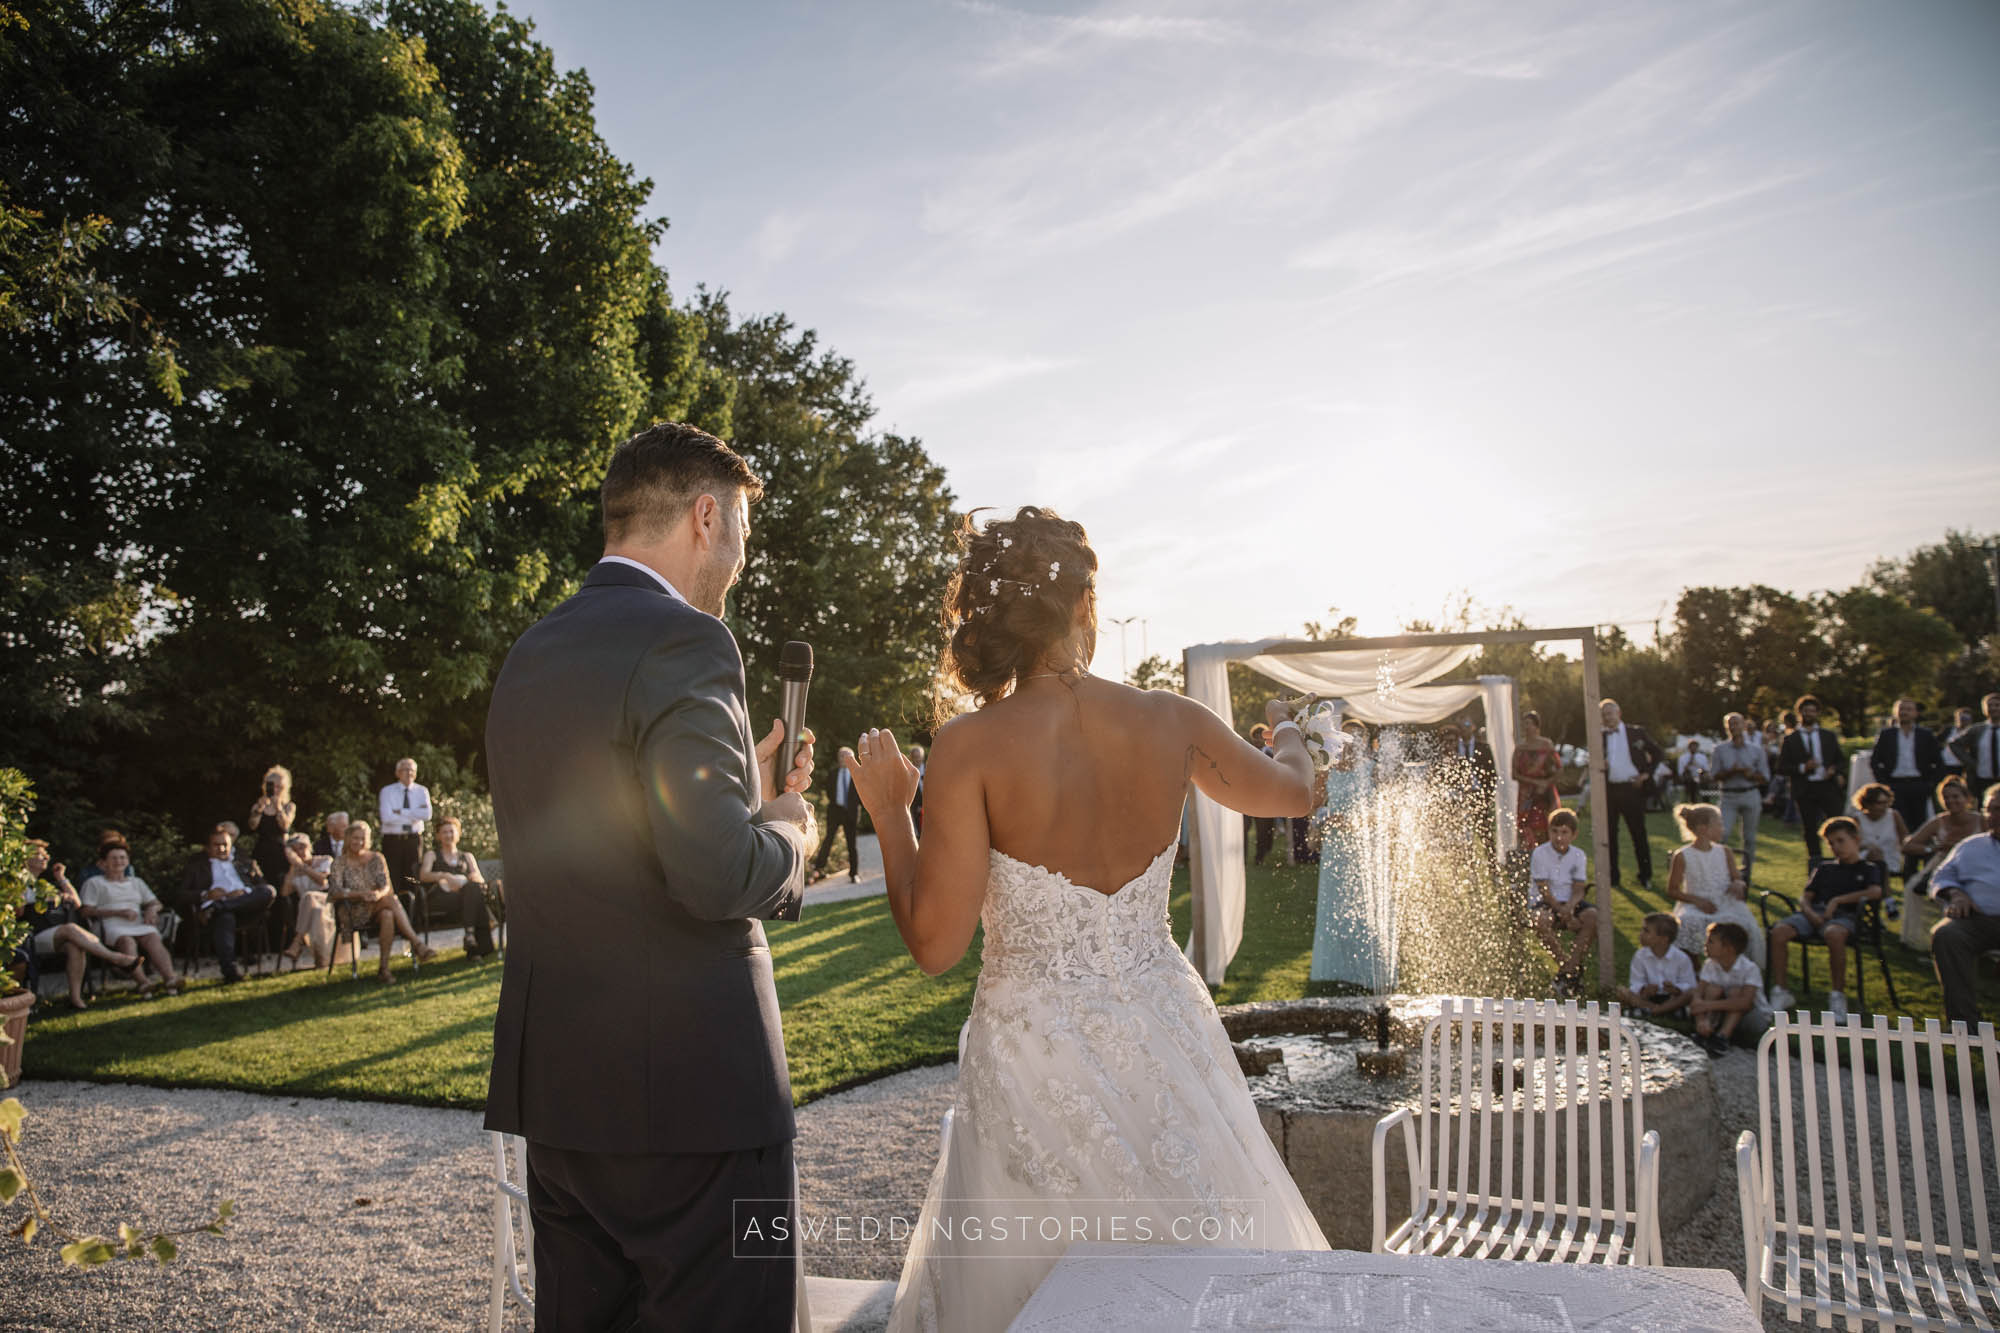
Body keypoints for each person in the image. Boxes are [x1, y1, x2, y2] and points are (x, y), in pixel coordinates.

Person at [842, 505, 1330, 1332]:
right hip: (1165, 1037)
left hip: (1032, 1059)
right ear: (1082, 603)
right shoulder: (1173, 721)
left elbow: (935, 943)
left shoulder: (970, 746)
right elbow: (1295, 790)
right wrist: (1291, 733)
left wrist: (892, 815)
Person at [483, 422, 818, 1330]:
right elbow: (717, 875)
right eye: (742, 532)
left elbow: (611, 837)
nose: (740, 560)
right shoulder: (689, 641)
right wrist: (790, 833)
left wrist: (739, 796)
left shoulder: (531, 651)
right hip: (697, 1100)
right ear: (706, 517)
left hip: (562, 1099)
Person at [1766, 817, 1883, 1020]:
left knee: (1833, 934)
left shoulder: (1868, 868)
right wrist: (1810, 913)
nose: (1836, 847)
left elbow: (1875, 892)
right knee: (1779, 931)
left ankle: (1837, 996)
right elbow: (1805, 897)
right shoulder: (1825, 868)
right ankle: (1781, 991)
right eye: (1831, 843)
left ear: (1856, 840)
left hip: (1845, 917)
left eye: (1841, 841)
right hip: (1814, 914)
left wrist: (1837, 901)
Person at [20, 840, 143, 1007]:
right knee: (70, 929)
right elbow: (19, 913)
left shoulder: (43, 885)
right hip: (30, 937)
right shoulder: (19, 884)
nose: (45, 858)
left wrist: (61, 879)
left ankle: (75, 998)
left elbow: (78, 904)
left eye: (45, 855)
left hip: (52, 935)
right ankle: (117, 958)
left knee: (75, 946)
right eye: (39, 854)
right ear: (25, 858)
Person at [1310, 717, 1378, 988]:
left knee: (1361, 903)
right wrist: (1322, 820)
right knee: (1335, 904)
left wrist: (1355, 821)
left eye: (1356, 738)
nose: (1351, 743)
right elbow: (1313, 805)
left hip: (1363, 845)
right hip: (1336, 847)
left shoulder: (1372, 770)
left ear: (1364, 741)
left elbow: (1382, 810)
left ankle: (1364, 968)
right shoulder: (1328, 771)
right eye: (1347, 737)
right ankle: (1335, 968)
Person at [1926, 783, 2000, 1026]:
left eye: (1999, 809)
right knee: (1946, 934)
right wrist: (1955, 893)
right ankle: (1965, 1025)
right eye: (1990, 809)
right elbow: (1940, 877)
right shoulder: (1971, 846)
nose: (1994, 815)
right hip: (1978, 919)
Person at [327, 819, 436, 981]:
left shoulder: (376, 858)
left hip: (377, 906)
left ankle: (384, 969)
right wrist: (360, 894)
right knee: (391, 901)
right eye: (355, 838)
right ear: (348, 838)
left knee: (387, 914)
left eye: (363, 838)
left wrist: (377, 894)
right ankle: (416, 944)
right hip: (352, 910)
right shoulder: (339, 863)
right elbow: (334, 892)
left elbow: (385, 886)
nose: (359, 842)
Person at [1666, 803, 1763, 969]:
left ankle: (1734, 968)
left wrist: (1738, 883)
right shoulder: (1682, 855)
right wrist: (1698, 901)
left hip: (1725, 902)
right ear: (1703, 829)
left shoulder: (1724, 851)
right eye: (1718, 824)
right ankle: (1693, 969)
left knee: (1741, 923)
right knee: (1686, 922)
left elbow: (1737, 878)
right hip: (1694, 904)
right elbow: (1672, 890)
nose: (1722, 829)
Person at [176, 825, 275, 984]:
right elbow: (181, 895)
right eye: (216, 845)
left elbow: (262, 885)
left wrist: (245, 891)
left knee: (268, 891)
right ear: (207, 848)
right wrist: (206, 894)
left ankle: (220, 907)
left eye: (225, 845)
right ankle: (230, 972)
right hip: (219, 915)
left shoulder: (245, 863)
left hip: (246, 908)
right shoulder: (197, 867)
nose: (222, 849)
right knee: (225, 917)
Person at [79, 842, 180, 996]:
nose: (119, 861)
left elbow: (156, 903)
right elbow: (85, 911)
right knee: (127, 941)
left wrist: (151, 910)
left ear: (128, 861)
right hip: (108, 924)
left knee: (152, 937)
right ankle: (143, 983)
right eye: (114, 858)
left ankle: (170, 979)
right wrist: (118, 912)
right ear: (103, 863)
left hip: (137, 923)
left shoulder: (136, 882)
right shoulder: (94, 883)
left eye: (122, 858)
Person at [1899, 776, 1984, 948]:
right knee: (1913, 888)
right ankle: (1917, 939)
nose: (1951, 801)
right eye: (1946, 797)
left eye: (1955, 796)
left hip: (1975, 865)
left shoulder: (1981, 820)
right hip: (1942, 863)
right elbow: (1908, 846)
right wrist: (1933, 848)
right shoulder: (1939, 821)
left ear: (1967, 798)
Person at [1869, 699, 1945, 868]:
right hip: (1895, 785)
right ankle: (1907, 865)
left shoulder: (1925, 735)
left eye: (1909, 709)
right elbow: (1875, 761)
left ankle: (1924, 862)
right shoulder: (1887, 734)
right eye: (1901, 709)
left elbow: (1939, 762)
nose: (1904, 712)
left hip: (1919, 784)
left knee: (1922, 825)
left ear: (1916, 713)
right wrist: (1884, 784)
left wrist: (1931, 784)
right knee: (1902, 826)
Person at [1529, 809, 1596, 996]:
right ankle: (1567, 967)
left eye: (1564, 832)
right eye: (1555, 831)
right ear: (1548, 831)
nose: (1559, 837)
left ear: (1574, 835)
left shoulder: (1578, 855)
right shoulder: (1540, 853)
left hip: (1569, 901)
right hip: (1546, 901)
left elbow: (1579, 888)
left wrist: (1570, 908)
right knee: (1541, 920)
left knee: (1593, 917)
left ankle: (1569, 969)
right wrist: (1563, 912)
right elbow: (1543, 889)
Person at [1599, 698, 1664, 888]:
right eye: (1604, 714)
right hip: (1609, 790)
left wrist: (1646, 774)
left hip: (1632, 789)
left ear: (1618, 713)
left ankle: (1645, 876)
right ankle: (1613, 878)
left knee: (1638, 834)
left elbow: (1658, 753)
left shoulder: (1636, 733)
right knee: (1609, 836)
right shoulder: (1599, 736)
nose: (1607, 717)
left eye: (1610, 713)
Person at [1778, 695, 1845, 867]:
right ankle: (1815, 861)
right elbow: (1782, 767)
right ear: (1800, 713)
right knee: (1809, 827)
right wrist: (1803, 767)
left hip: (1827, 786)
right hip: (1805, 788)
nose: (1809, 714)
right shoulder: (1791, 739)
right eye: (1806, 711)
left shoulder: (1828, 736)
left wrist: (1834, 770)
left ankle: (1842, 857)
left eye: (1812, 711)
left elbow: (1840, 760)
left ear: (1817, 713)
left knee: (1837, 822)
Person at [417, 815, 495, 958]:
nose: (448, 835)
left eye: (451, 831)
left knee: (472, 889)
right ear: (438, 836)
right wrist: (444, 876)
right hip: (441, 898)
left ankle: (470, 938)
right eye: (444, 832)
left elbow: (479, 879)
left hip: (465, 899)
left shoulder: (467, 856)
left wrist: (472, 878)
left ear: (458, 833)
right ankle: (478, 942)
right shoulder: (432, 855)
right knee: (475, 898)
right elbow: (423, 875)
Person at [1690, 921, 1771, 1055]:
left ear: (1729, 949)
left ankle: (1723, 1036)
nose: (1706, 944)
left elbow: (1745, 1003)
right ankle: (1706, 1029)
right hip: (1721, 1013)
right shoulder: (1710, 964)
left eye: (1711, 942)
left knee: (1736, 993)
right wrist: (1700, 1019)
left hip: (1751, 1018)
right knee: (1712, 989)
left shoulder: (1749, 968)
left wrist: (1706, 1006)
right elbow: (1698, 995)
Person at [1710, 712, 1769, 886]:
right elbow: (1714, 776)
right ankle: (1721, 871)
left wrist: (1750, 774)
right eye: (1730, 724)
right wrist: (1731, 772)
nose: (1733, 727)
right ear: (1726, 727)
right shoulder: (1719, 749)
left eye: (1736, 723)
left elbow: (1765, 777)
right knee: (1723, 834)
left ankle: (1746, 874)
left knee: (1749, 838)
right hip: (1729, 795)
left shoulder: (1756, 750)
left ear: (1744, 725)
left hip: (1750, 793)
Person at [1616, 912, 1696, 1021]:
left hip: (1671, 999)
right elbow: (1635, 983)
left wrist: (1676, 989)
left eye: (1646, 931)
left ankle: (1652, 1011)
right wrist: (1645, 989)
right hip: (1648, 999)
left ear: (1663, 939)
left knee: (1690, 994)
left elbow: (1690, 985)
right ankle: (1659, 1010)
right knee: (1622, 991)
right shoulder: (1640, 956)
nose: (1641, 934)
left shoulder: (1681, 958)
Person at [377, 757, 431, 913]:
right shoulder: (387, 791)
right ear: (397, 773)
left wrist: (399, 811)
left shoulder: (422, 791)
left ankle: (413, 916)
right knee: (392, 877)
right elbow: (386, 817)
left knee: (412, 877)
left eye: (412, 770)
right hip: (393, 841)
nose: (409, 773)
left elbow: (427, 815)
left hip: (413, 841)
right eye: (405, 769)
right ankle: (393, 915)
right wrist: (414, 814)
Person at [278, 832, 334, 969]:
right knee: (316, 911)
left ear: (310, 847)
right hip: (308, 911)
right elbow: (284, 892)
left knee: (309, 896)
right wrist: (293, 867)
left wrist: (302, 866)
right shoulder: (294, 870)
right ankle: (321, 962)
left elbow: (322, 881)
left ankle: (297, 942)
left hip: (328, 902)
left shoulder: (325, 860)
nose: (300, 852)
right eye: (295, 850)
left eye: (303, 847)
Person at [1510, 709, 1562, 848]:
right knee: (1526, 825)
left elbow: (1559, 768)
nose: (1526, 727)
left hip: (1545, 792)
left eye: (1529, 723)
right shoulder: (1520, 748)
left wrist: (1546, 783)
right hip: (1526, 794)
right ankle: (1528, 854)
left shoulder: (1546, 745)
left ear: (1536, 726)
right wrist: (1534, 782)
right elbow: (1514, 774)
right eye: (1524, 724)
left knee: (1548, 823)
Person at [810, 747, 862, 883]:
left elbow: (861, 794)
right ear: (838, 758)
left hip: (850, 812)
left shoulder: (857, 774)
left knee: (852, 844)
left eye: (847, 756)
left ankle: (854, 874)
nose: (844, 759)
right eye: (841, 756)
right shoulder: (833, 773)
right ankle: (818, 870)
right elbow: (829, 791)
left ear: (853, 758)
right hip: (835, 811)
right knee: (828, 840)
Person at [1850, 783, 1909, 890]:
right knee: (1874, 854)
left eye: (1886, 802)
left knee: (1877, 856)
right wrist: (1867, 847)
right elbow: (1851, 844)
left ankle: (1881, 891)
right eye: (1880, 803)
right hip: (1864, 857)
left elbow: (1905, 839)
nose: (1884, 807)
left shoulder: (1894, 815)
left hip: (1890, 857)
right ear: (1868, 804)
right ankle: (1884, 893)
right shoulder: (1857, 819)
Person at [1948, 693, 2000, 802]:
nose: (1993, 708)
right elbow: (1954, 744)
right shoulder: (1977, 730)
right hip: (1982, 779)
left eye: (1997, 705)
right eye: (1990, 705)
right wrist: (1970, 762)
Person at [1677, 740, 1708, 806]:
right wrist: (1688, 765)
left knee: (1704, 785)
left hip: (1700, 777)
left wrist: (1698, 767)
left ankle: (1704, 803)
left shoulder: (1702, 757)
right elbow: (1680, 772)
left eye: (1695, 746)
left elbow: (1706, 769)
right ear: (1689, 747)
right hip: (1688, 779)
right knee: (1691, 784)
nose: (1693, 748)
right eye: (1692, 746)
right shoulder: (1682, 758)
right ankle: (1692, 802)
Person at [906, 743, 927, 837]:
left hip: (931, 807)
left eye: (919, 757)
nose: (917, 759)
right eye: (915, 757)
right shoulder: (909, 772)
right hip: (917, 809)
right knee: (920, 834)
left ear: (922, 757)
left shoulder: (929, 768)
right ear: (911, 758)